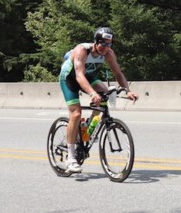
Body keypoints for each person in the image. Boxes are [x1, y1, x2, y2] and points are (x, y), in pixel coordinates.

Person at [59, 27, 138, 173]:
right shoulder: (82, 50)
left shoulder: (109, 53)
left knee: (105, 91)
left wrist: (128, 90)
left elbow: (118, 73)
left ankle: (89, 129)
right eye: (103, 44)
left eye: (109, 44)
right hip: (70, 78)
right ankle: (71, 158)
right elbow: (79, 76)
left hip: (87, 76)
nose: (106, 48)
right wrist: (92, 93)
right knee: (76, 114)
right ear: (96, 42)